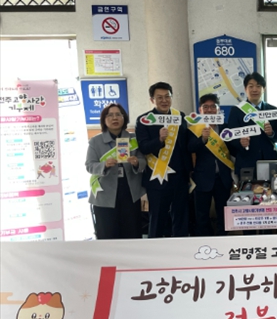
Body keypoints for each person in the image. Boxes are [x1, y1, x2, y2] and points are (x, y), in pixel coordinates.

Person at [136, 82, 192, 238]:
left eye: (167, 96)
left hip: (180, 176)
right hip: (157, 176)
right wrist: (159, 140)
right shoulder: (144, 120)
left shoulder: (179, 116)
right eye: (159, 97)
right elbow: (143, 147)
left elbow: (185, 144)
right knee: (157, 218)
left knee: (181, 217)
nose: (164, 100)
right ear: (152, 100)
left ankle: (180, 246)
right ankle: (156, 248)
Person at [85, 103, 146, 239]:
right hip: (104, 195)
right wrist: (104, 165)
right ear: (104, 120)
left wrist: (137, 162)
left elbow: (144, 161)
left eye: (118, 114)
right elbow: (89, 165)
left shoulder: (133, 139)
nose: (114, 118)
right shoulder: (95, 141)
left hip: (130, 194)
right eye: (110, 115)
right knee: (108, 236)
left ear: (124, 118)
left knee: (132, 234)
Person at [188, 94, 234, 236]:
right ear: (200, 110)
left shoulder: (226, 127)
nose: (209, 110)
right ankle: (204, 243)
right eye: (206, 107)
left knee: (223, 215)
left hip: (223, 178)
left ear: (218, 109)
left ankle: (223, 242)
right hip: (202, 178)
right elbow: (190, 147)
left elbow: (233, 149)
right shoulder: (194, 129)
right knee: (201, 216)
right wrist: (203, 139)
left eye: (213, 106)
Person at [225, 72, 277, 180]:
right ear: (245, 89)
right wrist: (240, 143)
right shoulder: (236, 111)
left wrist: (271, 134)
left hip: (269, 161)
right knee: (247, 190)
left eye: (258, 86)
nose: (255, 89)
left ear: (264, 89)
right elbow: (230, 138)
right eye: (251, 86)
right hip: (246, 162)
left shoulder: (272, 110)